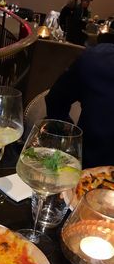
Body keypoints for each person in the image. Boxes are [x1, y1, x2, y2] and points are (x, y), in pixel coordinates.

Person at [45, 36, 114, 169]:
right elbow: (56, 100)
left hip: (86, 169)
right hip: (86, 176)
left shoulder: (95, 58)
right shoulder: (95, 59)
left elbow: (55, 100)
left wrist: (67, 135)